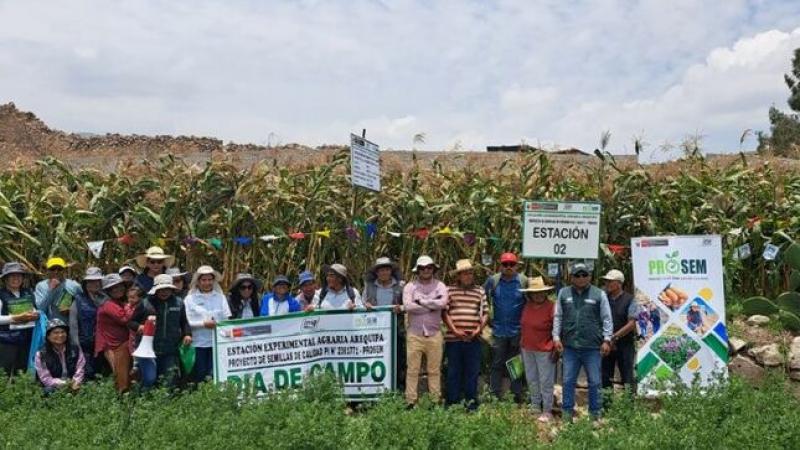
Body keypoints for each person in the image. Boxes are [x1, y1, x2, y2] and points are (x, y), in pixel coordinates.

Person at [553, 263, 613, 422]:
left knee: (594, 382)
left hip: (592, 347)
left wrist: (607, 339)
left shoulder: (599, 294)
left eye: (584, 275)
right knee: (567, 381)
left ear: (590, 276)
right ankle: (567, 414)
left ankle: (595, 415)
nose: (581, 278)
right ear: (571, 277)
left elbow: (607, 318)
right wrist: (556, 338)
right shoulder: (563, 293)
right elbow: (558, 316)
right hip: (570, 346)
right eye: (577, 275)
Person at [128, 274, 192, 388]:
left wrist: (187, 334)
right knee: (149, 379)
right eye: (161, 289)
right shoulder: (145, 303)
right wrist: (139, 327)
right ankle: (142, 401)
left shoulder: (179, 303)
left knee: (168, 380)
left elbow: (184, 322)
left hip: (170, 349)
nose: (164, 292)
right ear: (155, 290)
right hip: (148, 349)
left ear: (171, 289)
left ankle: (165, 403)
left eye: (167, 289)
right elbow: (131, 322)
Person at [402, 255, 448, 406]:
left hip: (434, 334)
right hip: (415, 334)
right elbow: (408, 307)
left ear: (433, 269)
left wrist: (421, 302)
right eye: (423, 268)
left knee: (434, 370)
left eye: (429, 267)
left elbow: (443, 303)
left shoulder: (440, 285)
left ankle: (435, 400)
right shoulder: (410, 287)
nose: (426, 270)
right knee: (412, 369)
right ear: (418, 270)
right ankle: (411, 401)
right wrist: (431, 305)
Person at [443, 259, 487, 410]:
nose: (468, 276)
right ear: (458, 276)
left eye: (470, 273)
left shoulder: (480, 291)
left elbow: (485, 313)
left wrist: (478, 330)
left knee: (472, 371)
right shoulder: (449, 290)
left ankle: (471, 403)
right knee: (453, 371)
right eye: (464, 274)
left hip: (473, 338)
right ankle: (452, 403)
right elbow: (445, 312)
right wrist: (454, 330)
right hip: (453, 338)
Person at [484, 252, 527, 402]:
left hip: (517, 330)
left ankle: (516, 395)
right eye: (505, 264)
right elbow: (483, 299)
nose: (508, 267)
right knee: (497, 362)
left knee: (515, 363)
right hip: (498, 330)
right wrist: (487, 320)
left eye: (511, 264)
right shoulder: (493, 281)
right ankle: (495, 394)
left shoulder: (523, 281)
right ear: (500, 265)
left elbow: (530, 302)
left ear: (517, 266)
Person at [362, 257, 406, 389]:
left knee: (397, 360)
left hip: (395, 330)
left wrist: (401, 308)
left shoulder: (401, 286)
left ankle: (396, 388)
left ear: (391, 271)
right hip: (374, 331)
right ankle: (374, 388)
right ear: (376, 272)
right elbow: (362, 303)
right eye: (381, 270)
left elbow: (407, 304)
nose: (384, 273)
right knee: (375, 359)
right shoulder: (368, 287)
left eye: (386, 269)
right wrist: (366, 305)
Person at [519, 276, 557, 422]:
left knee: (546, 381)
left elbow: (557, 328)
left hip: (545, 349)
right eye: (535, 292)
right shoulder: (527, 306)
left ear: (545, 292)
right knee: (531, 379)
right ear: (530, 294)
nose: (538, 294)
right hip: (527, 348)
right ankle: (535, 405)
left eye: (541, 292)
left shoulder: (551, 306)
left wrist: (556, 347)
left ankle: (547, 410)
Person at [184, 265, 231, 382]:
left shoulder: (221, 297)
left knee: (214, 374)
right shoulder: (189, 299)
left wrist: (218, 324)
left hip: (217, 342)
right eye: (204, 280)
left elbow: (227, 318)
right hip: (198, 343)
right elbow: (186, 320)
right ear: (198, 282)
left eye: (210, 280)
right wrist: (203, 324)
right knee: (200, 374)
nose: (207, 283)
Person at [601, 269, 639, 397]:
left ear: (619, 283)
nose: (607, 284)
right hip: (606, 344)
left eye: (610, 281)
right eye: (606, 281)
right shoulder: (603, 299)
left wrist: (615, 337)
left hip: (624, 344)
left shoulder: (630, 299)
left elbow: (631, 323)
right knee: (605, 376)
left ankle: (628, 406)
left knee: (627, 376)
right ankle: (606, 406)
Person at [95, 274, 133, 393]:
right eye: (113, 288)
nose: (118, 289)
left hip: (121, 342)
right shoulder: (109, 304)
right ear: (108, 291)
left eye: (120, 286)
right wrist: (130, 306)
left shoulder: (117, 302)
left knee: (125, 372)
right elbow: (124, 319)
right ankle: (122, 400)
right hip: (112, 344)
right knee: (120, 374)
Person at [0, 262, 39, 376]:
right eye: (12, 276)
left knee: (22, 372)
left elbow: (35, 310)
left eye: (19, 275)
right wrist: (15, 318)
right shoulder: (1, 295)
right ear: (5, 279)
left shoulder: (28, 293)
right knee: (5, 373)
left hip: (27, 339)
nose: (16, 278)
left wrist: (36, 315)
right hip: (7, 341)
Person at [69, 267, 107, 380]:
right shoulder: (78, 300)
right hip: (85, 343)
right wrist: (76, 344)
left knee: (101, 372)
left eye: (97, 281)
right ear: (85, 284)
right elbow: (73, 324)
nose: (94, 284)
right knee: (86, 372)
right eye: (91, 281)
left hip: (103, 343)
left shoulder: (106, 298)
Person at [34, 319, 85, 394]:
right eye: (56, 333)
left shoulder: (75, 349)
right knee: (48, 391)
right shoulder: (41, 354)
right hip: (54, 386)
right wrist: (66, 384)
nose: (60, 335)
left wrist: (76, 382)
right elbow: (46, 378)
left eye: (63, 332)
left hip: (74, 384)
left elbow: (80, 368)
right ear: (48, 336)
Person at [34, 257, 81, 323]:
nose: (56, 272)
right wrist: (51, 290)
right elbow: (40, 309)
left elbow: (83, 305)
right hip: (48, 328)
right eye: (52, 269)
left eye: (59, 269)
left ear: (64, 270)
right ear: (48, 270)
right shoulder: (41, 286)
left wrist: (71, 310)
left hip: (68, 327)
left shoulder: (74, 285)